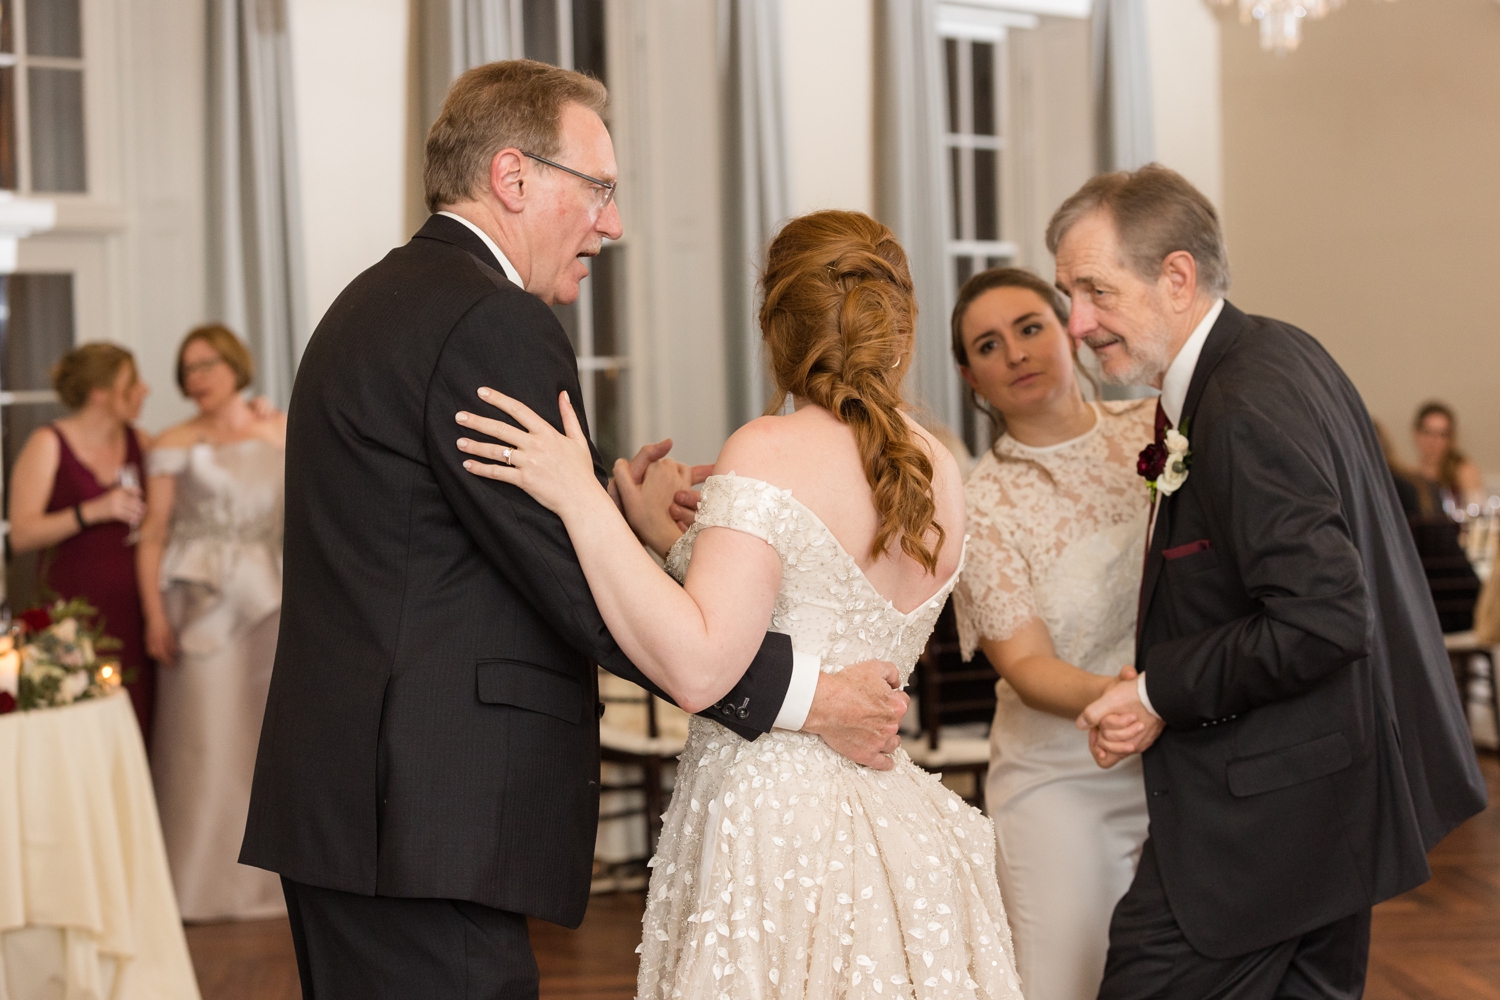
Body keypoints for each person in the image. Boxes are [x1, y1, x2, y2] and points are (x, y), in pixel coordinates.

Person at [239, 60, 906, 998]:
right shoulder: (490, 319)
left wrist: (611, 502)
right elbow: (567, 581)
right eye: (598, 189)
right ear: (514, 177)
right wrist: (809, 696)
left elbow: (453, 522)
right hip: (422, 818)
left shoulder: (390, 297)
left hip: (364, 805)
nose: (614, 223)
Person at [457, 209, 1024, 1000]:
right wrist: (666, 538)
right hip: (893, 820)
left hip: (777, 822)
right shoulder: (940, 469)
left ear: (776, 331)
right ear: (901, 328)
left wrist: (577, 497)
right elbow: (803, 600)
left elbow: (699, 662)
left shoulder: (767, 448)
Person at [1055, 164, 1486, 999]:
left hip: (1268, 826)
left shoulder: (1241, 400)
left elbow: (1325, 619)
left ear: (1175, 277)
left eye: (1094, 291)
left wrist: (1156, 694)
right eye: (1068, 294)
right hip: (1324, 797)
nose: (1077, 323)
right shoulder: (1277, 349)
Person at [949, 266, 1152, 1000]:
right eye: (989, 345)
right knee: (1065, 984)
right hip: (1064, 780)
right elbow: (1027, 663)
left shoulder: (1159, 428)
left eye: (1030, 328)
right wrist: (1135, 701)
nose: (1016, 353)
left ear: (1068, 329)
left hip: (1189, 757)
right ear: (972, 376)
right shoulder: (979, 503)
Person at [136, 324, 287, 921]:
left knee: (265, 741)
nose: (197, 378)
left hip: (277, 600)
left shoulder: (280, 428)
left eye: (207, 365)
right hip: (198, 606)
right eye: (187, 368)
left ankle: (274, 885)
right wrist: (153, 614)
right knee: (203, 739)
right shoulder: (172, 441)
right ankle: (197, 882)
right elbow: (152, 533)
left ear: (235, 365)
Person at [7, 343, 153, 739]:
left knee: (138, 723)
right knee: (82, 727)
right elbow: (21, 534)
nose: (145, 389)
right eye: (132, 382)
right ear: (99, 393)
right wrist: (92, 511)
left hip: (136, 612)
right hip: (74, 617)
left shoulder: (141, 441)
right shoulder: (48, 443)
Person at [1412, 401, 1486, 516]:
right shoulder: (1410, 476)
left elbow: (1478, 516)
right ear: (1416, 434)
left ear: (1451, 439)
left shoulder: (1464, 472)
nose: (1434, 441)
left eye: (1442, 434)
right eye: (1428, 432)